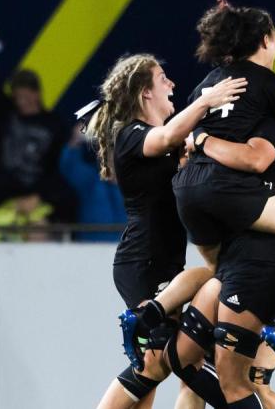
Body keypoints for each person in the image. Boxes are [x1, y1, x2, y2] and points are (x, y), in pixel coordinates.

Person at [172, 0, 275, 378]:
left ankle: (182, 314)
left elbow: (184, 136)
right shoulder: (267, 85)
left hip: (187, 190)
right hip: (228, 190)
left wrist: (202, 139)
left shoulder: (206, 85)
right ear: (265, 39)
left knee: (219, 270)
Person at [86, 53, 246, 408]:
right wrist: (206, 101)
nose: (172, 85)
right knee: (159, 360)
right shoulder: (131, 135)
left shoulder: (172, 145)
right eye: (163, 79)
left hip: (165, 262)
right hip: (142, 262)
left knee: (161, 365)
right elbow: (169, 134)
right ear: (145, 93)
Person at [164, 114, 275, 409]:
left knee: (244, 382)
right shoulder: (231, 145)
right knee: (182, 362)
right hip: (234, 267)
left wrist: (201, 139)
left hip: (260, 267)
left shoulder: (260, 138)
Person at [0, 22, 76, 226]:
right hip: (2, 193)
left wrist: (39, 196)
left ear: (37, 94)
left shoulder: (54, 124)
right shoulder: (5, 113)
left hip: (37, 192)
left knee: (70, 203)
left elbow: (57, 167)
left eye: (26, 96)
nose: (22, 101)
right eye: (18, 96)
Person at [58, 126, 126, 242]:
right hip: (91, 252)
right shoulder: (90, 180)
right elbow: (68, 166)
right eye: (105, 151)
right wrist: (75, 140)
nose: (110, 157)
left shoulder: (139, 182)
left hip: (130, 253)